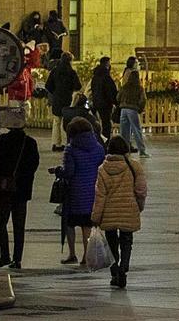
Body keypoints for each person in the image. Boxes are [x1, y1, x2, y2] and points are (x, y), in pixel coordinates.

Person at [91, 134, 148, 289]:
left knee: (111, 243)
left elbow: (100, 195)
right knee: (127, 240)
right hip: (128, 209)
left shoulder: (102, 169)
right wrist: (139, 206)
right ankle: (124, 266)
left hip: (109, 212)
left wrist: (96, 217)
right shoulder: (134, 166)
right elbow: (141, 190)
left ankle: (115, 270)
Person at [0, 125, 40, 269]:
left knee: (0, 223)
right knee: (19, 225)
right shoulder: (30, 143)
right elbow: (33, 165)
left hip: (3, 189)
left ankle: (4, 255)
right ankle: (18, 259)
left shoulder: (2, 141)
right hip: (22, 189)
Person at [61, 116, 105, 265]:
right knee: (87, 225)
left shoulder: (70, 149)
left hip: (74, 192)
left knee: (69, 223)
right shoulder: (99, 148)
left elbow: (69, 172)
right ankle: (86, 255)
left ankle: (72, 253)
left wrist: (58, 171)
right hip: (92, 191)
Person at [45, 52, 81, 151]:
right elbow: (78, 86)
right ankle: (66, 143)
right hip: (68, 99)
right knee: (67, 122)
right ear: (70, 60)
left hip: (57, 98)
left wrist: (55, 92)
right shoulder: (72, 72)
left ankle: (56, 143)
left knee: (56, 121)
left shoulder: (55, 71)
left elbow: (48, 85)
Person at [117, 69, 149, 157]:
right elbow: (143, 100)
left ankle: (125, 151)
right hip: (133, 109)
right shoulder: (139, 88)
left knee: (124, 131)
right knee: (136, 130)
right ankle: (142, 151)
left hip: (123, 109)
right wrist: (140, 109)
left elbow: (118, 97)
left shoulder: (124, 87)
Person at [91, 57, 119, 139]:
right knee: (106, 123)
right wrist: (115, 102)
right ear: (107, 64)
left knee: (99, 122)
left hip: (96, 102)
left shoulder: (95, 76)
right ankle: (106, 141)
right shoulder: (106, 77)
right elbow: (111, 90)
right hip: (105, 103)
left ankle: (99, 139)